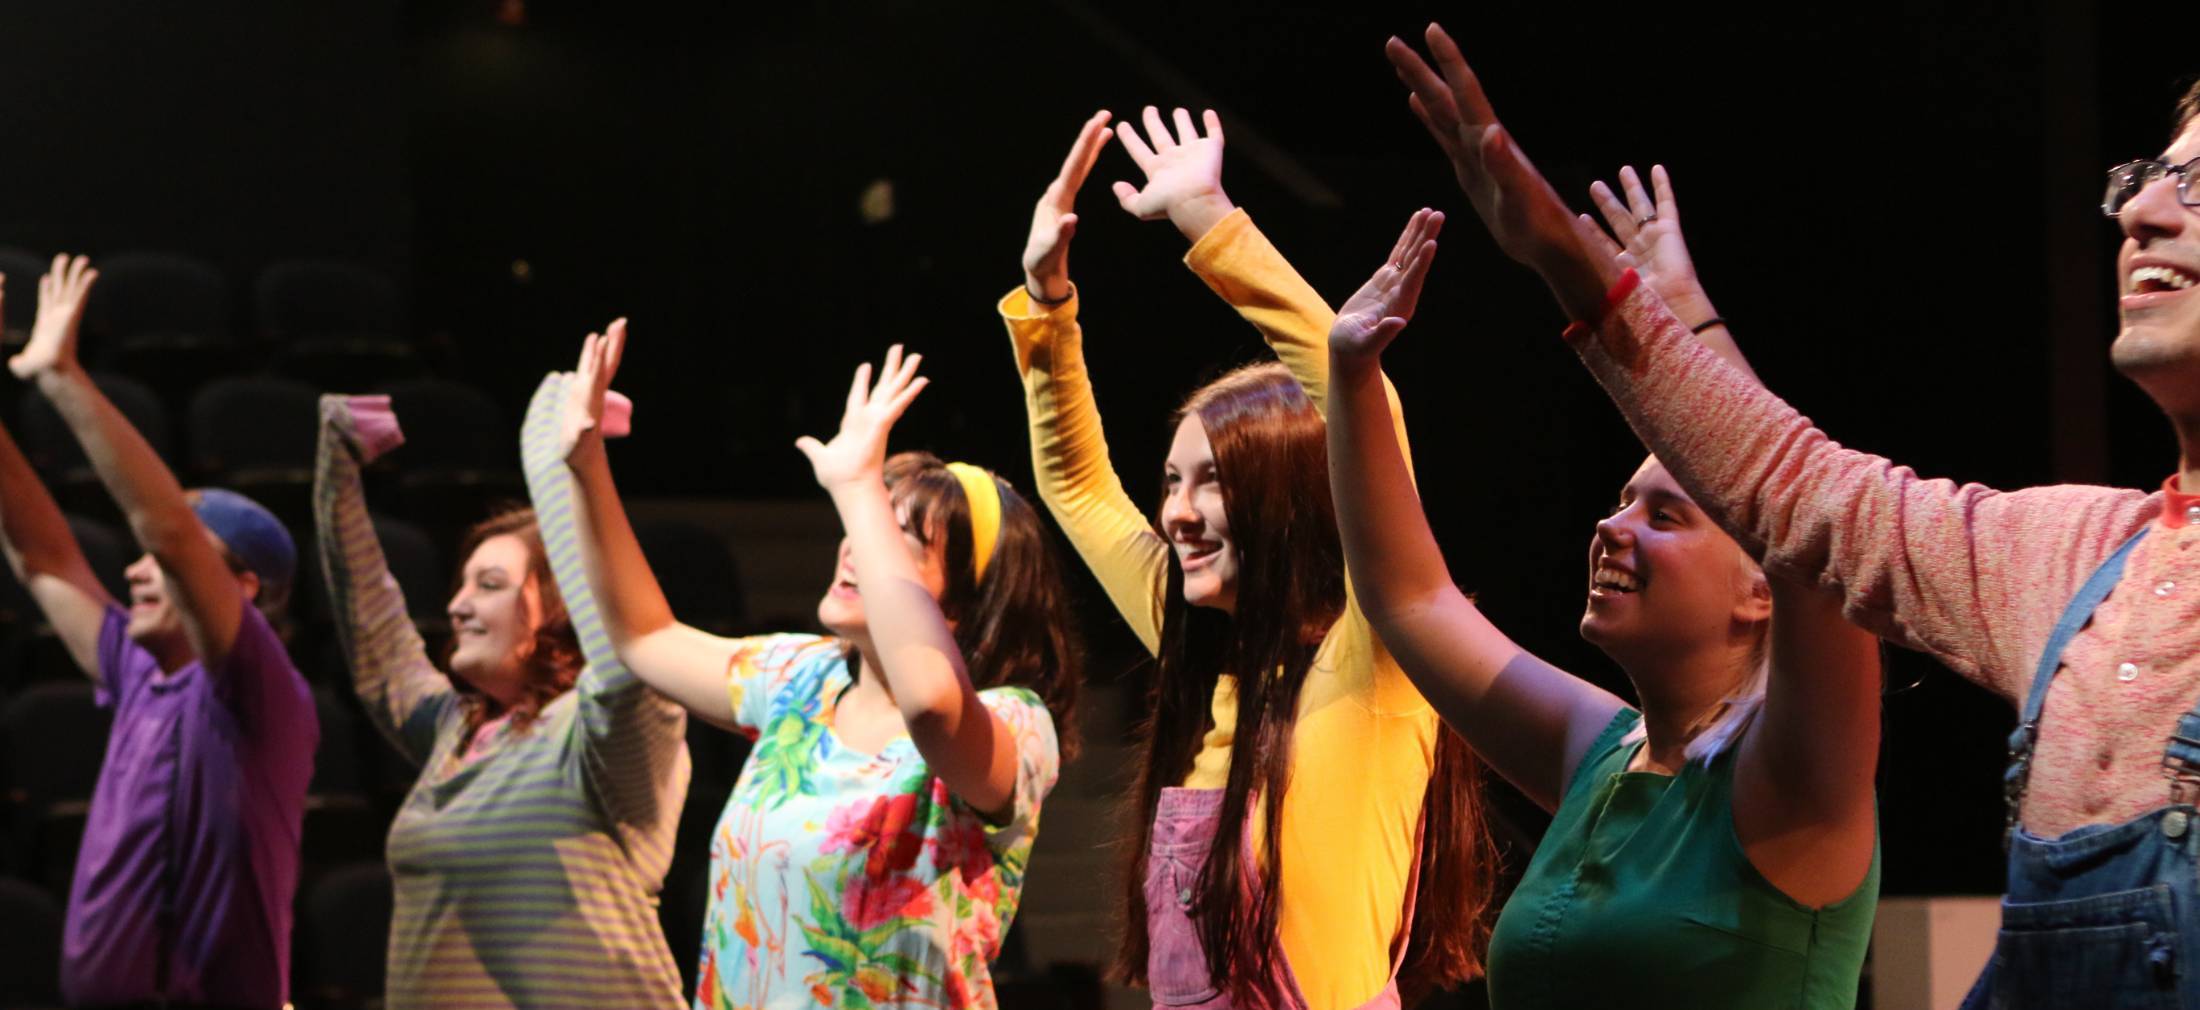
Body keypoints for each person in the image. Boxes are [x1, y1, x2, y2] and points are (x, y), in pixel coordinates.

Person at [1386, 21, 2200, 1007]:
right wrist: (1581, 268)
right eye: (2149, 175)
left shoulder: (1778, 772)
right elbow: (1804, 492)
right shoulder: (2073, 550)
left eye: (2197, 183)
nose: (2143, 209)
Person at [1324, 189, 1881, 1006]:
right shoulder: (1603, 753)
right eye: (1623, 499)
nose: (1612, 525)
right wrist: (1352, 370)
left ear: (1760, 590)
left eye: (1666, 514)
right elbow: (1409, 599)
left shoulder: (1794, 780)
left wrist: (1687, 321)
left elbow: (1808, 523)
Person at [1004, 109, 1495, 1008]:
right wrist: (1046, 306)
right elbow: (1077, 486)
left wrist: (1208, 221)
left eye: (1214, 485)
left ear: (1293, 503)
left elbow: (1366, 408)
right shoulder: (1207, 651)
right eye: (1171, 482)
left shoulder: (1376, 659)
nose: (1176, 514)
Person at [554, 325, 1080, 1008]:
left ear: (969, 602)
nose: (855, 548)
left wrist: (861, 487)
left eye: (894, 538)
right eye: (861, 527)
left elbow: (930, 705)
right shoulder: (801, 680)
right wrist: (585, 466)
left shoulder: (1015, 721)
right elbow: (643, 637)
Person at [313, 358, 691, 1006]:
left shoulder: (600, 733)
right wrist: (338, 476)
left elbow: (626, 661)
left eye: (489, 586)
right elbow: (376, 642)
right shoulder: (454, 733)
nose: (457, 605)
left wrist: (558, 468)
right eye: (462, 583)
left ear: (561, 613)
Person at [0, 254, 315, 1008]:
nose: (137, 571)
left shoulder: (260, 693)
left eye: (167, 567)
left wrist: (62, 379)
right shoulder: (139, 672)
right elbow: (42, 557)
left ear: (241, 590)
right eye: (138, 560)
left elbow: (170, 531)